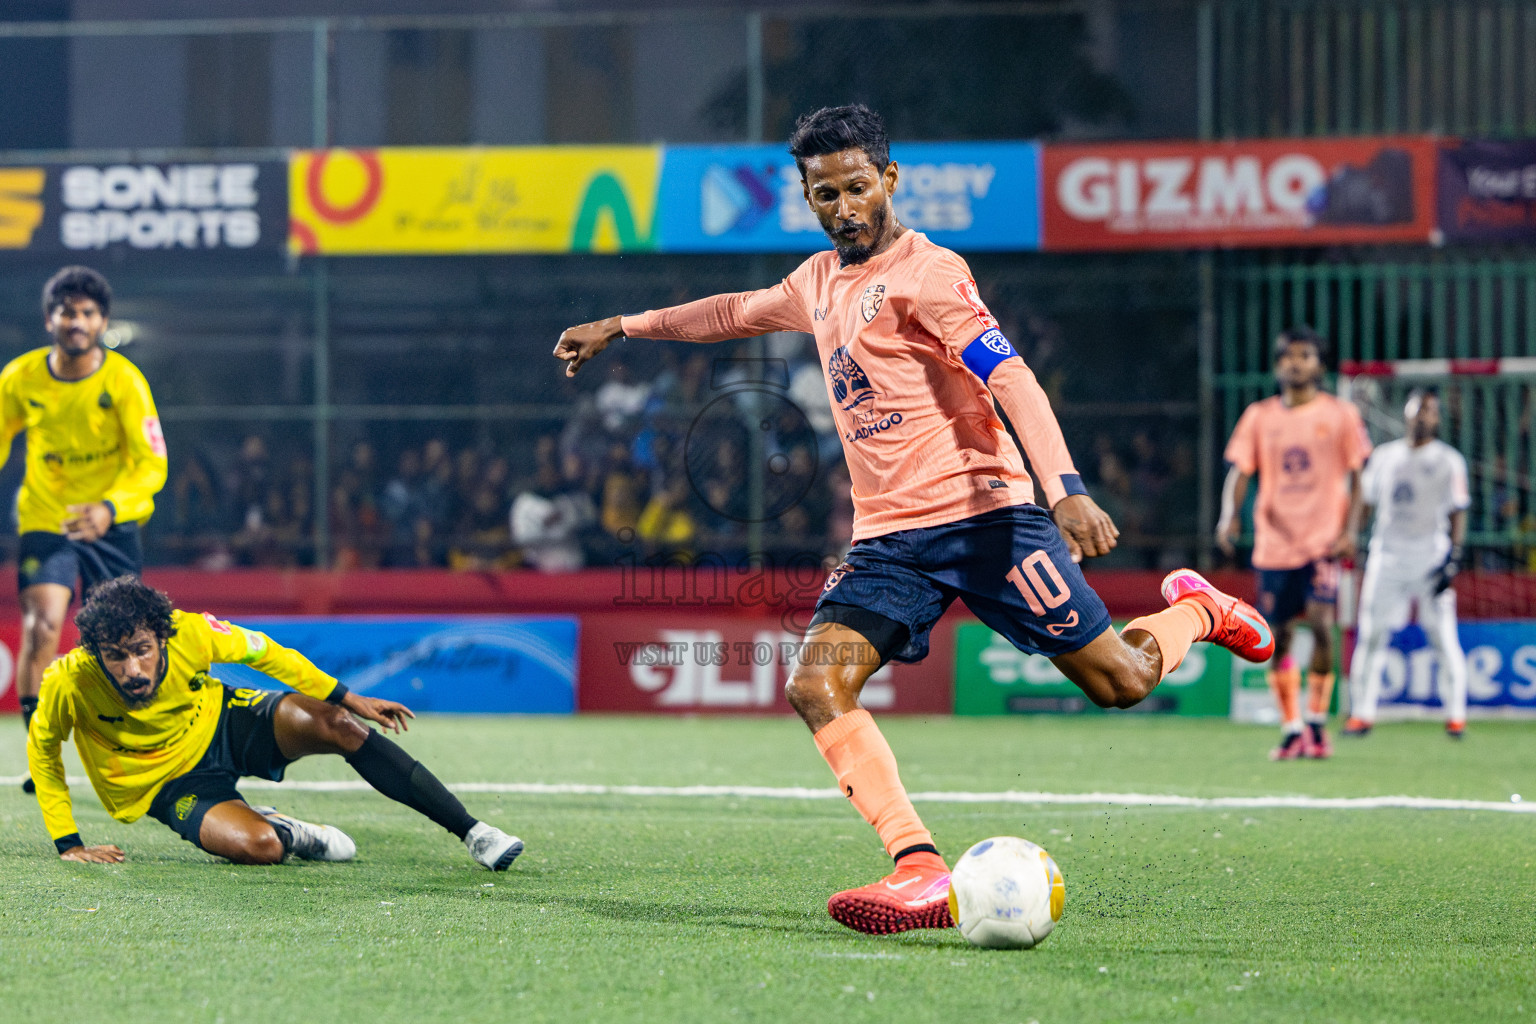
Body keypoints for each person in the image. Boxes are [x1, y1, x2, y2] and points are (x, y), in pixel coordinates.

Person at [554, 104, 1273, 936]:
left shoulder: (931, 273)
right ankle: (921, 869)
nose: (843, 207)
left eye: (857, 187)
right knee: (816, 684)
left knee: (1121, 682)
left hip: (990, 521)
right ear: (808, 196)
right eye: (824, 194)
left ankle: (1199, 611)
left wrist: (1065, 485)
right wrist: (622, 325)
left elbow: (1013, 379)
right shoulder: (815, 283)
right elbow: (729, 313)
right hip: (889, 541)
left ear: (889, 180)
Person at [26, 576, 524, 870]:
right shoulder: (69, 681)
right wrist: (69, 843)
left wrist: (348, 697)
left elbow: (271, 655)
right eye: (116, 657)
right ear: (96, 652)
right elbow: (43, 751)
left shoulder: (192, 633)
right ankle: (289, 830)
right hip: (163, 782)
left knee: (340, 725)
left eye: (141, 651)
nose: (132, 669)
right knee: (258, 847)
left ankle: (475, 833)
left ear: (162, 637)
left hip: (221, 721)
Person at [3, 267, 168, 795]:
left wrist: (111, 508)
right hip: (46, 519)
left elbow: (152, 465)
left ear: (102, 321)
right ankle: (41, 754)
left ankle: (134, 743)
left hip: (111, 526)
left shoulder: (124, 381)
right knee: (42, 626)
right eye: (68, 311)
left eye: (89, 313)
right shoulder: (20, 379)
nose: (78, 322)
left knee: (122, 639)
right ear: (50, 318)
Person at [1217, 326, 1372, 760]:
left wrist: (1350, 531)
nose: (1295, 363)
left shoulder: (1340, 415)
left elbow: (1360, 478)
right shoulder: (1259, 416)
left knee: (1322, 626)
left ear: (1319, 365)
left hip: (1323, 542)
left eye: (1304, 356)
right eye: (1288, 356)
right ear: (1277, 365)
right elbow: (1240, 471)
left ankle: (1318, 724)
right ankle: (1291, 727)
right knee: (1279, 636)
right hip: (1274, 545)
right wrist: (1229, 514)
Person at [1344, 390, 1470, 738]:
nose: (1422, 417)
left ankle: (1456, 717)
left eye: (1430, 411)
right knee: (1371, 635)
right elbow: (1365, 501)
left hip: (1431, 557)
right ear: (1406, 415)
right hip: (1387, 556)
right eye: (1417, 411)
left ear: (1438, 419)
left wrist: (1453, 559)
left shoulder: (1449, 460)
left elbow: (1458, 510)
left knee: (1443, 637)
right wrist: (1352, 534)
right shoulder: (1384, 457)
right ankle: (1362, 715)